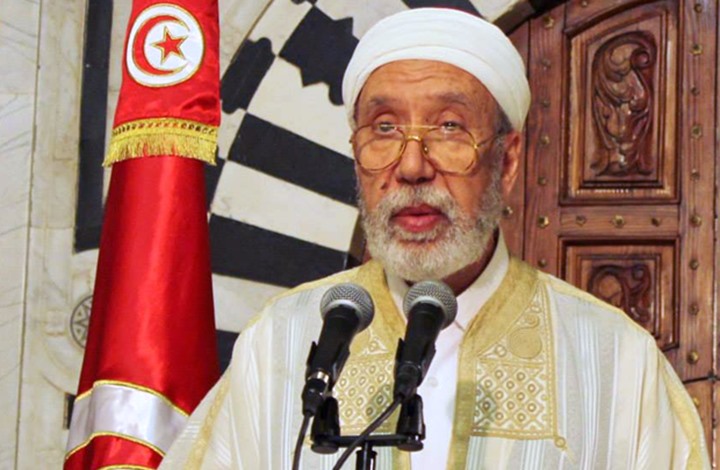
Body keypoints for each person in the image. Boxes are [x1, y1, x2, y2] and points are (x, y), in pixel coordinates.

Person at [159, 8, 709, 469]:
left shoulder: (613, 360)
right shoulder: (282, 341)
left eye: (449, 128)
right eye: (384, 128)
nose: (412, 166)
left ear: (508, 162)